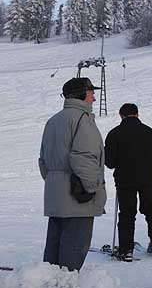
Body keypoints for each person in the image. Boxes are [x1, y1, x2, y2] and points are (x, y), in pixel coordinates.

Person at [39, 77, 108, 271]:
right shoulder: (82, 120)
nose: (94, 98)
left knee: (54, 250)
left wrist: (55, 182)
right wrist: (93, 188)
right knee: (73, 249)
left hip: (56, 194)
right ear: (82, 94)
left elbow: (43, 161)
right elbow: (83, 158)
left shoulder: (53, 121)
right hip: (78, 197)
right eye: (92, 93)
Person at [104, 103, 152, 261]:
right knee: (150, 207)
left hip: (125, 179)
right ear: (137, 114)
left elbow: (109, 162)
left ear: (121, 115)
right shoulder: (150, 132)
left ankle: (125, 248)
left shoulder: (114, 134)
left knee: (127, 213)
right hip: (148, 177)